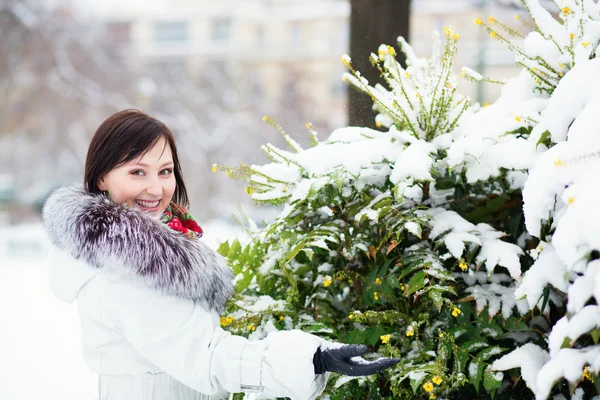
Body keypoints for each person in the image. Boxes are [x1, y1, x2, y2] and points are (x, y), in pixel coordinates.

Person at [42, 109, 399, 400]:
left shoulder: (139, 252)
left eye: (165, 171)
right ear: (102, 177)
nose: (156, 188)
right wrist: (313, 359)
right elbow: (207, 358)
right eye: (137, 172)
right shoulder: (122, 271)